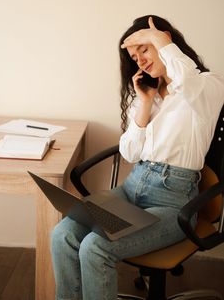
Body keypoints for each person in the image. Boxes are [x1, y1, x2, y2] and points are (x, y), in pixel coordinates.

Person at [51, 15, 224, 300]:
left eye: (144, 49)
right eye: (134, 56)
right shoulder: (148, 93)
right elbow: (130, 152)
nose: (140, 60)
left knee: (95, 247)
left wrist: (159, 40)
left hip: (173, 202)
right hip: (133, 190)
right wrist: (144, 103)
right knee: (63, 235)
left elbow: (186, 80)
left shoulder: (207, 85)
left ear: (165, 40)